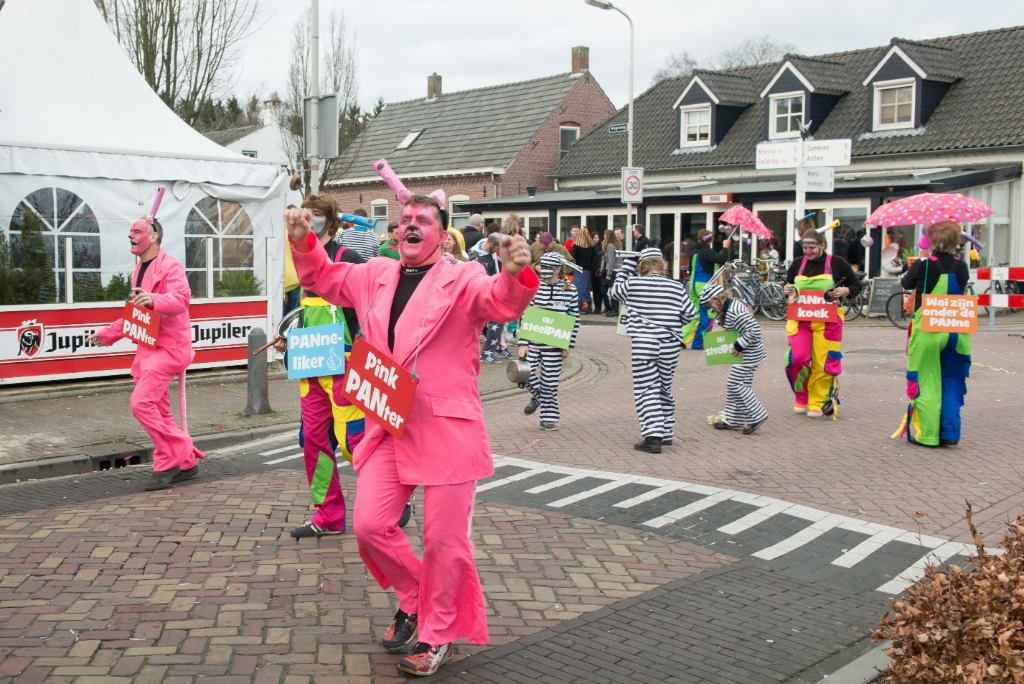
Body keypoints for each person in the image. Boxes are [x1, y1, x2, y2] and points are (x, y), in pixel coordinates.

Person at [285, 183, 537, 677]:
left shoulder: (462, 278)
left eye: (423, 219)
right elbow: (326, 277)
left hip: (446, 429)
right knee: (368, 526)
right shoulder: (375, 274)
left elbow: (500, 302)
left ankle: (438, 633)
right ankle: (414, 598)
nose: (411, 225)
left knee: (444, 542)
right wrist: (302, 240)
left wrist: (515, 272)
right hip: (388, 421)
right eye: (405, 219)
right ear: (396, 231)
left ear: (442, 236)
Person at [269, 195, 371, 537]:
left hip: (343, 364)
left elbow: (364, 313)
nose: (307, 222)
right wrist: (289, 336)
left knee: (353, 441)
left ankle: (392, 496)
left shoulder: (348, 257)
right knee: (314, 441)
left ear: (328, 220)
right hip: (310, 363)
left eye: (314, 217)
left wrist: (363, 353)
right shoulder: (301, 261)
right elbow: (304, 312)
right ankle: (328, 515)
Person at [85, 215, 203, 490]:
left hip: (170, 349)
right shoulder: (138, 269)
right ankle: (186, 463)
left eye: (137, 231)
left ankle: (170, 457)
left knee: (141, 403)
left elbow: (182, 298)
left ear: (153, 236)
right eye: (130, 231)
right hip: (148, 348)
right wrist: (107, 334)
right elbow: (135, 313)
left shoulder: (170, 265)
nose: (131, 235)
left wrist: (155, 299)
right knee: (159, 410)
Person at [610, 247, 696, 454]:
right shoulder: (676, 286)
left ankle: (653, 436)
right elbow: (689, 314)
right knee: (663, 387)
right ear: (662, 264)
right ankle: (666, 433)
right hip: (670, 343)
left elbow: (614, 292)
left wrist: (627, 266)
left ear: (642, 265)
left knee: (646, 388)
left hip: (644, 342)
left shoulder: (634, 283)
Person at [895, 221, 971, 448]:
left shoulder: (923, 264)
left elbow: (905, 283)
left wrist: (922, 258)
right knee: (951, 382)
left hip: (928, 330)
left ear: (932, 241)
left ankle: (927, 435)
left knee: (926, 380)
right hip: (957, 332)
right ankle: (949, 432)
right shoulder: (962, 266)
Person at [783, 221, 861, 418]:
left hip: (829, 321)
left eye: (812, 247)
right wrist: (787, 289)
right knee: (796, 359)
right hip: (800, 320)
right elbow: (788, 285)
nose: (808, 251)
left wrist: (845, 290)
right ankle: (802, 396)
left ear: (823, 245)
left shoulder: (838, 263)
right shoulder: (798, 263)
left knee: (823, 362)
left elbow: (856, 285)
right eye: (805, 248)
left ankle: (818, 401)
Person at [520, 253, 580, 431]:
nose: (544, 271)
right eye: (542, 267)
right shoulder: (535, 288)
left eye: (549, 268)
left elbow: (574, 318)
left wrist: (568, 343)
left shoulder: (570, 290)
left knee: (550, 382)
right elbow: (525, 314)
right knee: (524, 374)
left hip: (554, 344)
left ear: (558, 269)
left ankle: (548, 418)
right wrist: (523, 342)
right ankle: (538, 397)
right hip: (534, 342)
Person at [700, 283, 769, 434]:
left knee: (734, 383)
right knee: (739, 384)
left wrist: (739, 345)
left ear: (713, 301)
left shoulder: (734, 311)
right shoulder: (730, 307)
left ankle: (757, 415)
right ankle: (733, 419)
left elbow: (754, 329)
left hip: (749, 353)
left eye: (708, 306)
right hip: (748, 352)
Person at [682, 228, 732, 350]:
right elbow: (721, 259)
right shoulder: (707, 251)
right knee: (708, 315)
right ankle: (700, 343)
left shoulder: (694, 252)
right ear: (710, 240)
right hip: (704, 286)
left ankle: (682, 338)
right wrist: (725, 247)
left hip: (693, 286)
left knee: (695, 314)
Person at [474, 234, 509, 363]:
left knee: (497, 320)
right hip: (484, 292)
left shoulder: (485, 242)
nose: (498, 252)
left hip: (492, 289)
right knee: (496, 319)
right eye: (497, 248)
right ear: (491, 245)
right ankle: (486, 352)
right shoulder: (478, 258)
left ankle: (490, 350)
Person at [569, 227, 596, 313]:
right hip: (587, 270)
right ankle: (589, 307)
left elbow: (571, 256)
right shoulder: (591, 247)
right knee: (586, 289)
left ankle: (579, 307)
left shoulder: (576, 246)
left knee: (578, 288)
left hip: (578, 269)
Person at [602, 228, 621, 317]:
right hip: (619, 269)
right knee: (615, 290)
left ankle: (614, 310)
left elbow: (611, 260)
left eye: (605, 235)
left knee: (612, 291)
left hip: (613, 271)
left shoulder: (610, 245)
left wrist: (609, 273)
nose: (604, 237)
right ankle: (615, 309)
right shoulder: (618, 244)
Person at [590, 229, 605, 314]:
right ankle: (596, 307)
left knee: (599, 289)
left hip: (599, 271)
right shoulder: (590, 248)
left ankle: (599, 307)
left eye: (597, 237)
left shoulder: (601, 247)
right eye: (595, 237)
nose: (596, 239)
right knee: (594, 290)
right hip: (592, 270)